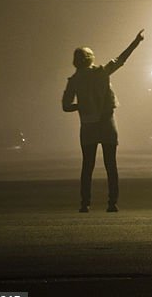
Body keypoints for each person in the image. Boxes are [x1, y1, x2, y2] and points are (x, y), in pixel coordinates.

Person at [62, 29, 144, 213]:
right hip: (107, 123)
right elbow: (121, 59)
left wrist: (81, 106)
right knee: (111, 166)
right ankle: (112, 203)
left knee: (87, 166)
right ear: (91, 58)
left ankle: (85, 204)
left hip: (88, 126)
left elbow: (66, 106)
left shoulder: (74, 80)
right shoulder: (102, 72)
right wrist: (136, 41)